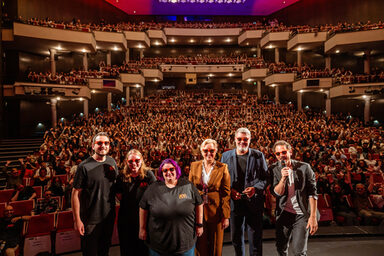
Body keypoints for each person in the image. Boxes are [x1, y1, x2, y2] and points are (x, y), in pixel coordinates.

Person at [139, 159, 204, 256]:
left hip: (185, 243)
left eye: (171, 169)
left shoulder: (188, 185)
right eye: (165, 170)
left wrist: (199, 225)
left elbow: (199, 203)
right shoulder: (153, 188)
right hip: (158, 244)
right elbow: (143, 207)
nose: (168, 172)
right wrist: (142, 228)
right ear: (161, 173)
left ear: (176, 170)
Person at [221, 127, 268, 256]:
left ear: (250, 140)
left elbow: (265, 179)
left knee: (255, 239)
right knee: (236, 238)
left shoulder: (258, 155)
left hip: (254, 203)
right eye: (240, 139)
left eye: (245, 139)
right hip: (235, 203)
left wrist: (255, 189)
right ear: (235, 140)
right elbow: (222, 179)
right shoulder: (225, 156)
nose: (242, 142)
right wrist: (230, 191)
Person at [71, 132, 118, 256]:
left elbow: (115, 188)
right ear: (93, 146)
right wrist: (77, 220)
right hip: (90, 220)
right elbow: (75, 194)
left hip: (108, 217)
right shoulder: (84, 166)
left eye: (106, 143)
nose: (103, 146)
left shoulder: (112, 162)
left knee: (104, 252)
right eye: (99, 143)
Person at [270, 140, 318, 256]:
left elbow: (313, 193)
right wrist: (283, 179)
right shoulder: (273, 169)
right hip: (284, 213)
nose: (281, 155)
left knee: (299, 252)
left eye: (284, 152)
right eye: (278, 154)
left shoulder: (305, 167)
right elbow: (276, 193)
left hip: (301, 214)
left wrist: (313, 216)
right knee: (281, 248)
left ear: (290, 152)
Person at [189, 139, 231, 256]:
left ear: (216, 151)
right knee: (200, 248)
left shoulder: (223, 167)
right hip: (198, 212)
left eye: (212, 150)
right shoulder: (194, 166)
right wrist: (200, 193)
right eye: (205, 150)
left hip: (216, 213)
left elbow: (226, 194)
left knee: (216, 248)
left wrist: (226, 216)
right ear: (201, 151)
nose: (209, 153)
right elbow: (190, 188)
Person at [116, 149, 156, 256]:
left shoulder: (148, 175)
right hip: (126, 218)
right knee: (127, 249)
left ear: (142, 160)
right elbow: (119, 196)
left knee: (143, 249)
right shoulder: (121, 176)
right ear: (126, 162)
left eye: (137, 160)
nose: (134, 163)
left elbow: (155, 195)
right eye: (130, 161)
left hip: (145, 218)